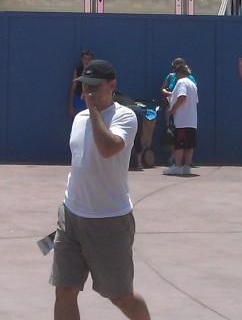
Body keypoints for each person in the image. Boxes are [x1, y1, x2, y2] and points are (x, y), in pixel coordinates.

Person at [50, 60, 149, 319]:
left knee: (120, 297)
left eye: (95, 87)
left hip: (109, 221)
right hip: (71, 217)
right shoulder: (79, 118)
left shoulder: (125, 117)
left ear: (112, 85)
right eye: (85, 87)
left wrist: (93, 110)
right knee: (64, 290)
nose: (88, 93)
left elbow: (107, 149)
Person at [163, 59, 198, 177]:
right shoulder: (192, 84)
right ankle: (187, 167)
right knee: (189, 145)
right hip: (192, 120)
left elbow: (182, 97)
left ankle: (177, 167)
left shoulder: (181, 82)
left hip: (182, 120)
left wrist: (172, 109)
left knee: (179, 144)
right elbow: (194, 101)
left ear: (179, 73)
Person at [69, 49, 91, 115]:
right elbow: (73, 88)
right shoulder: (78, 70)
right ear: (82, 59)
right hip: (79, 99)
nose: (87, 61)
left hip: (91, 99)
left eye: (89, 59)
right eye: (85, 59)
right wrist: (70, 105)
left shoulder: (95, 71)